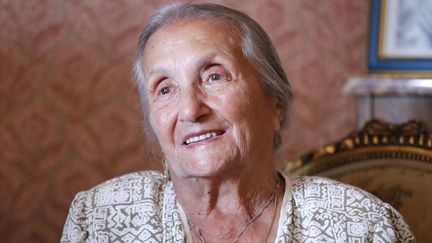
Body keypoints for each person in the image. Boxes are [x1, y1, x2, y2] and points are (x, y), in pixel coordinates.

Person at [61, 3, 416, 243]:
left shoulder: (361, 226)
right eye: (165, 88)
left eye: (214, 77)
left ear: (274, 104)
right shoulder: (99, 220)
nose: (189, 110)